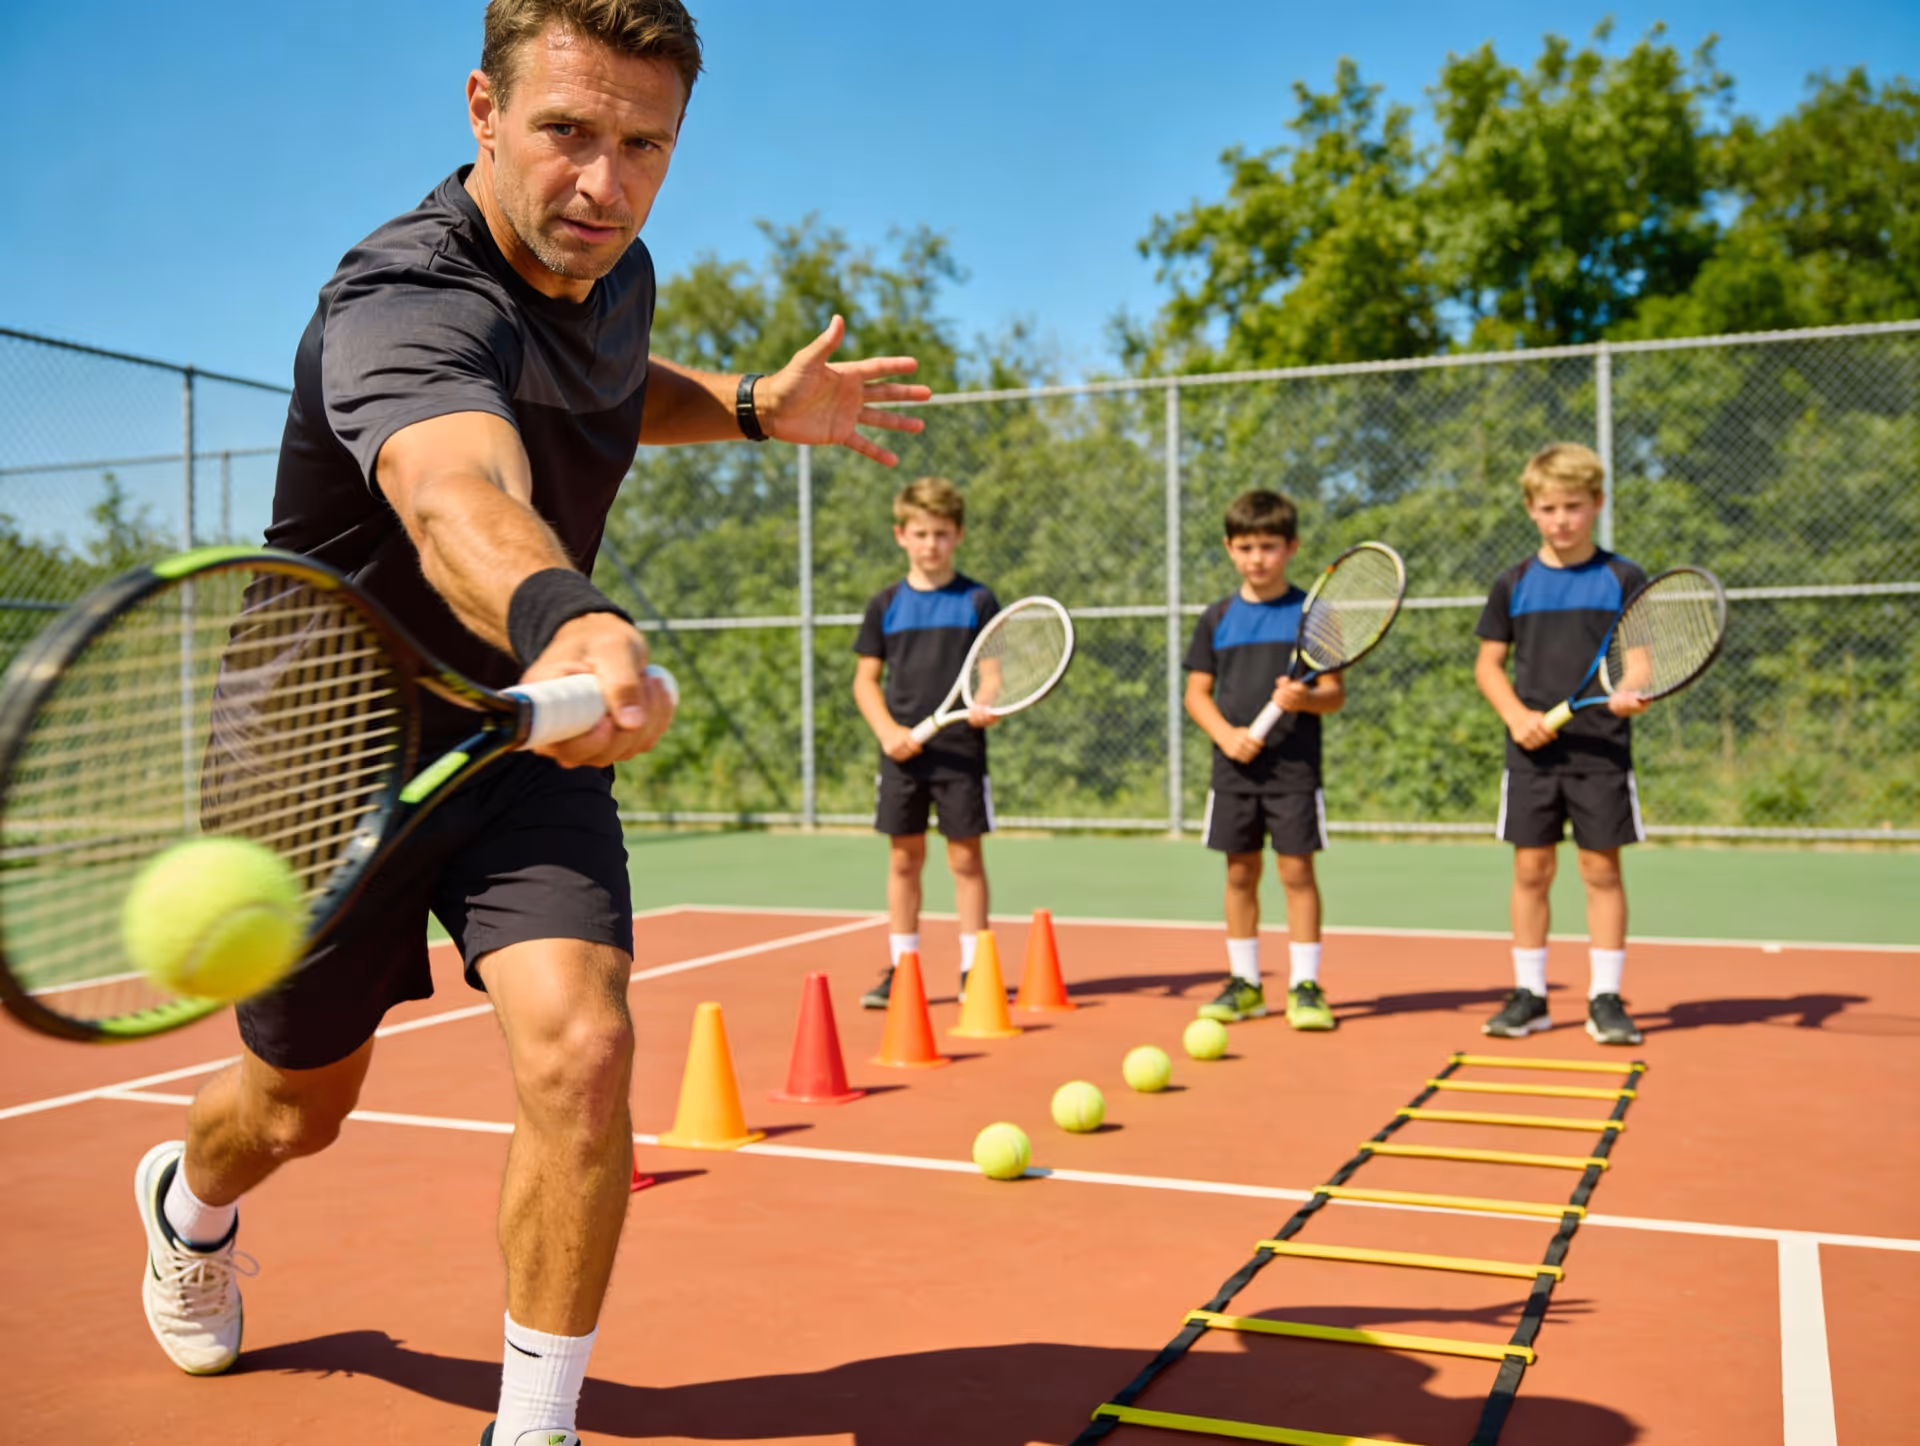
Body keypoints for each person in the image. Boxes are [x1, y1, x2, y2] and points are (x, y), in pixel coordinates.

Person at [130, 5, 929, 1444]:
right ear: (483, 110)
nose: (603, 185)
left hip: (512, 732)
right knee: (295, 1111)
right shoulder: (402, 298)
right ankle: (189, 1206)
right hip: (324, 749)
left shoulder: (612, 274)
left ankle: (534, 1427)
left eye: (644, 145)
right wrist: (567, 610)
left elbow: (608, 391)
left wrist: (749, 406)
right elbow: (455, 490)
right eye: (568, 131)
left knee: (587, 1048)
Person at [1473, 443, 1650, 1046]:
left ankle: (1605, 998)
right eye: (1549, 508)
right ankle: (1531, 996)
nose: (1562, 519)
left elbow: (1642, 660)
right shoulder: (1513, 582)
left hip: (1601, 751)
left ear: (1597, 504)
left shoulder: (1623, 577)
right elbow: (1489, 666)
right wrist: (1515, 715)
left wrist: (1628, 691)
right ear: (1530, 509)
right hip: (1531, 753)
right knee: (1531, 870)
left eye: (1574, 506)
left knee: (1601, 871)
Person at [1182, 490, 1345, 1031]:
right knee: (1239, 872)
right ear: (1230, 548)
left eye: (1269, 546)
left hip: (1294, 770)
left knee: (1296, 871)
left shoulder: (1312, 614)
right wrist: (1227, 736)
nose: (1258, 558)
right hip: (1234, 770)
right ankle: (1245, 983)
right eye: (1246, 546)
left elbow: (1334, 693)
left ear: (1291, 547)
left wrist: (1307, 699)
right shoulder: (1217, 617)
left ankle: (1305, 985)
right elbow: (1196, 694)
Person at [852, 478, 1000, 1009]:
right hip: (902, 755)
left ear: (957, 535)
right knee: (904, 860)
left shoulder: (978, 600)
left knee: (965, 859)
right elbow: (865, 681)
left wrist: (985, 703)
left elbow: (992, 673)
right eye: (920, 533)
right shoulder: (885, 604)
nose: (930, 543)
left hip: (960, 753)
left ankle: (974, 968)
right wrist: (889, 733)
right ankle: (903, 968)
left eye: (941, 533)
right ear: (901, 535)